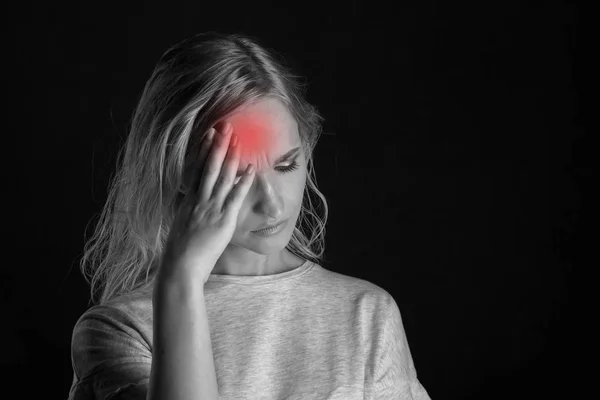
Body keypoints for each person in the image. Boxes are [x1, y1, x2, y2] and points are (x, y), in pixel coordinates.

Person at [67, 31, 432, 400]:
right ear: (177, 174)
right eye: (237, 175)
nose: (272, 205)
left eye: (287, 165)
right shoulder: (120, 330)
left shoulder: (366, 315)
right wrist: (181, 279)